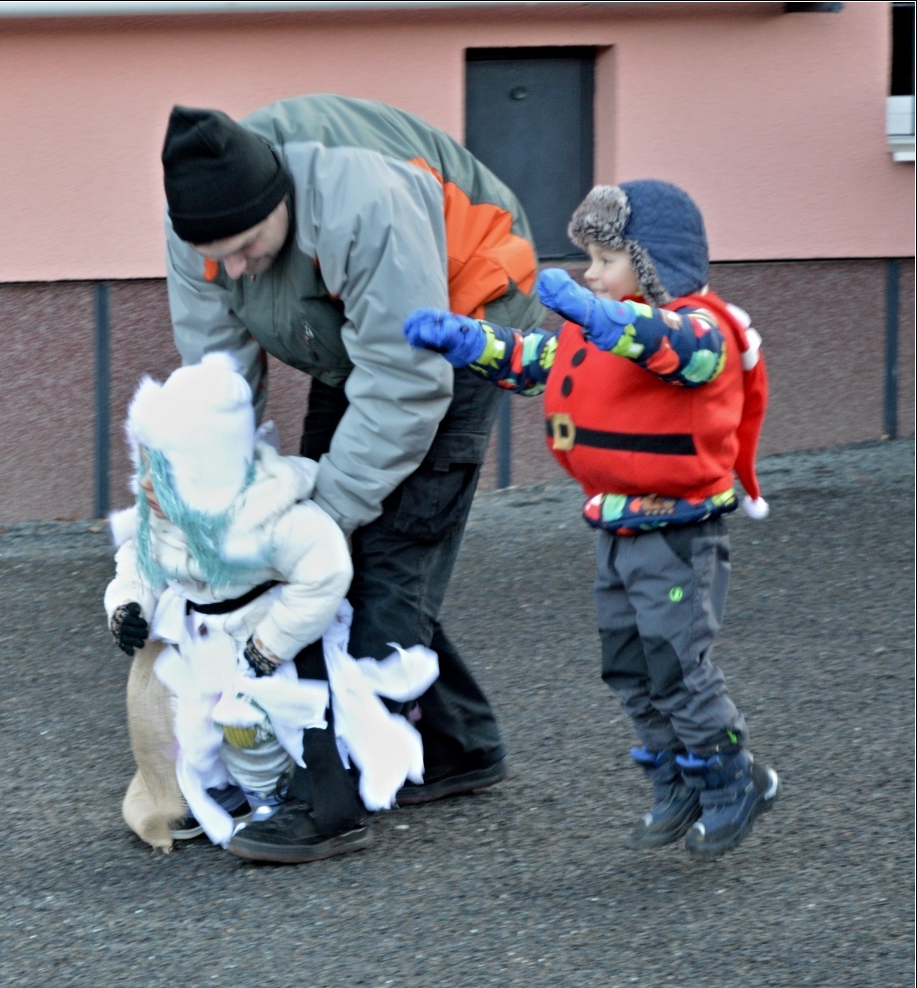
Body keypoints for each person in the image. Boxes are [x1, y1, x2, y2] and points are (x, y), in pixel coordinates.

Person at [160, 95, 544, 861]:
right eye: (216, 256)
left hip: (459, 323)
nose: (232, 269)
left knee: (382, 559)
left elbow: (406, 382)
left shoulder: (363, 204)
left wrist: (321, 516)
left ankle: (324, 798)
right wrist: (220, 502)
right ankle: (459, 744)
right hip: (354, 335)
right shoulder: (199, 223)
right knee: (318, 556)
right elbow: (218, 384)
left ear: (278, 203)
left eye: (246, 247)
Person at [403, 179, 778, 856]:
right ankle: (675, 780)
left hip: (679, 535)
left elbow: (669, 346)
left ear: (655, 266)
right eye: (589, 260)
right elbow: (535, 360)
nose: (591, 274)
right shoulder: (596, 331)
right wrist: (467, 340)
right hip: (616, 528)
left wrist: (603, 318)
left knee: (677, 665)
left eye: (606, 260)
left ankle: (731, 777)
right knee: (629, 667)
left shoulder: (700, 330)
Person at [107, 355, 435, 859]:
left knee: (259, 728)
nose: (148, 485)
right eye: (146, 467)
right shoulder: (162, 516)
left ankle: (281, 800)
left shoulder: (272, 515)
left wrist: (272, 642)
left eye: (166, 473)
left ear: (206, 472)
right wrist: (128, 605)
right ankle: (215, 789)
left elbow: (326, 571)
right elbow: (138, 563)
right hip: (202, 642)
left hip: (267, 641)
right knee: (192, 722)